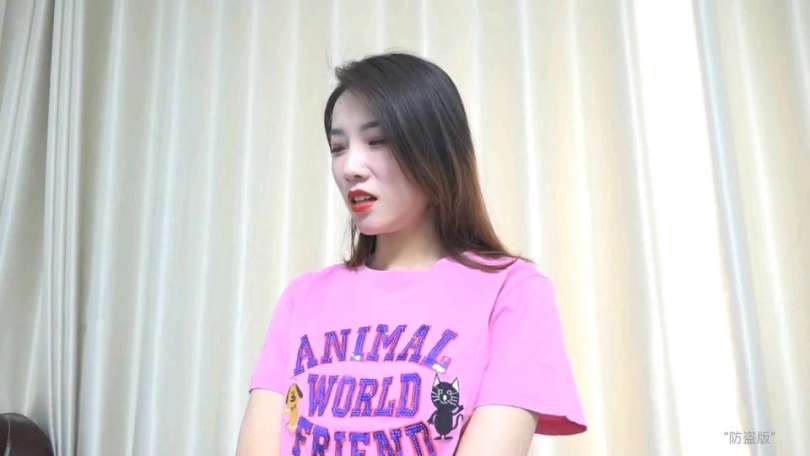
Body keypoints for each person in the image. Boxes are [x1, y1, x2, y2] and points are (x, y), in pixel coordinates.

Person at [235, 52, 587, 456]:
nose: (350, 167)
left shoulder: (512, 291)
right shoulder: (302, 298)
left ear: (435, 150)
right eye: (338, 147)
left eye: (377, 141)